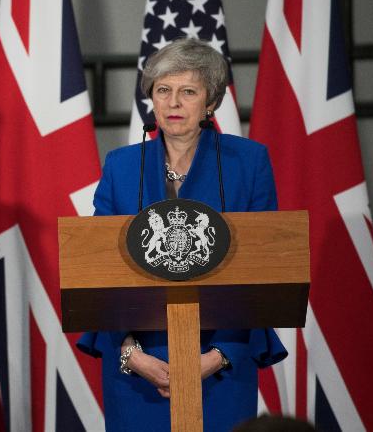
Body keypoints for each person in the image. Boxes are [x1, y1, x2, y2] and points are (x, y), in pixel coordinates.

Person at [76, 38, 288, 431]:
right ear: (152, 99)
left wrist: (215, 357)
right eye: (163, 90)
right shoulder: (121, 166)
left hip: (222, 363)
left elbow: (264, 269)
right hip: (138, 368)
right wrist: (132, 354)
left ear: (210, 102)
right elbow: (98, 271)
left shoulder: (249, 162)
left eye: (188, 91)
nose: (173, 103)